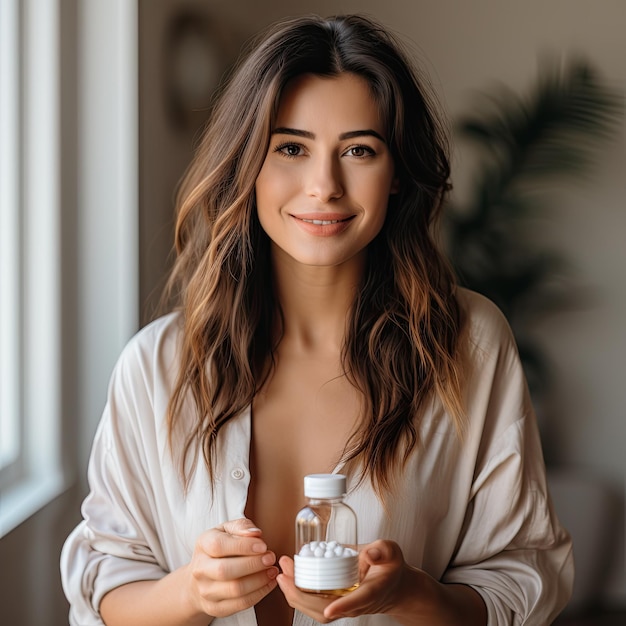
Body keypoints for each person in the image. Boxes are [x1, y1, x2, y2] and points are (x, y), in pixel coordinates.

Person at [61, 13, 573, 626]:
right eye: (291, 148)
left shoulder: (469, 345)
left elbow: (523, 577)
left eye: (358, 150)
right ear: (246, 166)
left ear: (398, 175)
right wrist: (191, 593)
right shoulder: (156, 367)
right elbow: (104, 584)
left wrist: (411, 594)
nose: (324, 185)